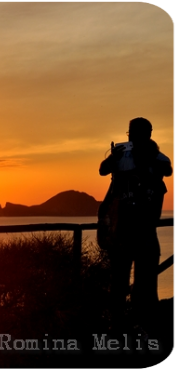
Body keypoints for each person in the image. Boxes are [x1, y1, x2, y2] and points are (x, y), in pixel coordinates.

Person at [98, 117, 172, 333]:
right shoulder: (125, 157)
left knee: (131, 285)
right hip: (133, 233)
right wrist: (114, 158)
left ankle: (128, 329)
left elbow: (167, 170)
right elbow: (103, 170)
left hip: (135, 233)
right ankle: (133, 330)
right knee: (133, 286)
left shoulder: (154, 157)